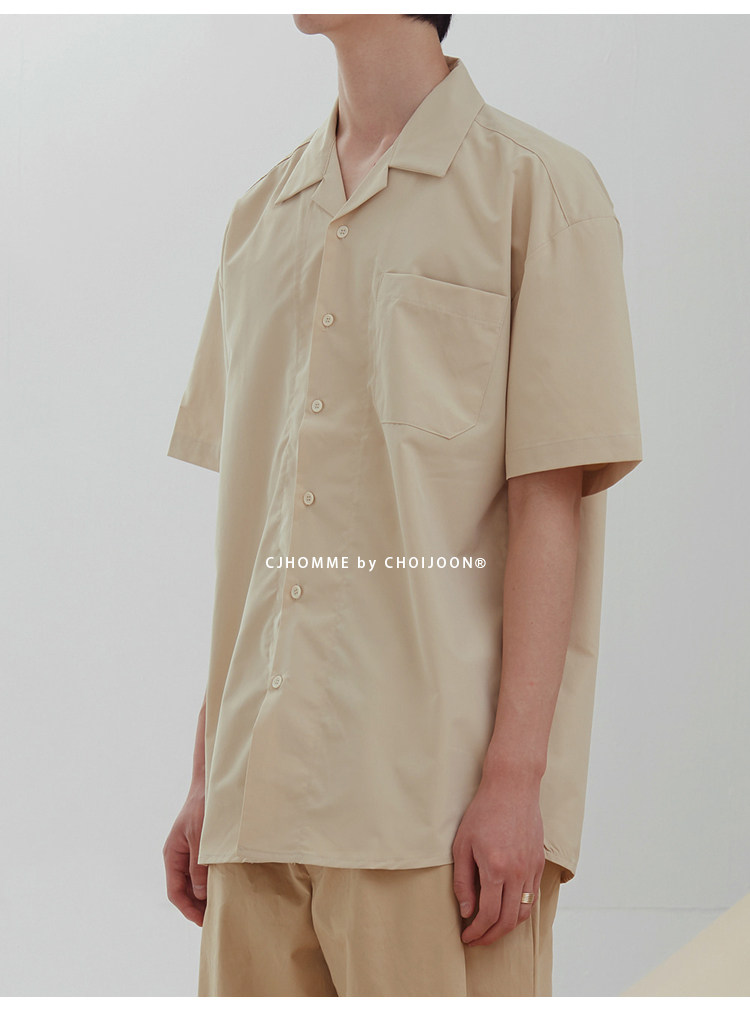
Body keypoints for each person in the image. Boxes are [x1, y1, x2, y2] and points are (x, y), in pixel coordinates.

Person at [162, 13, 643, 998]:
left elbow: (549, 509)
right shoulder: (261, 217)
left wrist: (516, 782)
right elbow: (259, 527)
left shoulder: (538, 192)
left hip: (434, 816)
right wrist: (211, 769)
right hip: (257, 808)